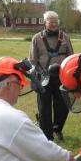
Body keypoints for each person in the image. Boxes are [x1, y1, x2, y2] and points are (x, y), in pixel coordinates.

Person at [29, 11, 73, 141]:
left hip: (62, 77)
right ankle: (47, 136)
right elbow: (33, 60)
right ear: (45, 22)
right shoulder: (36, 38)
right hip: (43, 77)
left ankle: (57, 129)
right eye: (50, 21)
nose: (54, 24)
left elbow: (71, 57)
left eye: (56, 21)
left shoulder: (65, 37)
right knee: (44, 107)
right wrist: (36, 75)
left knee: (63, 106)